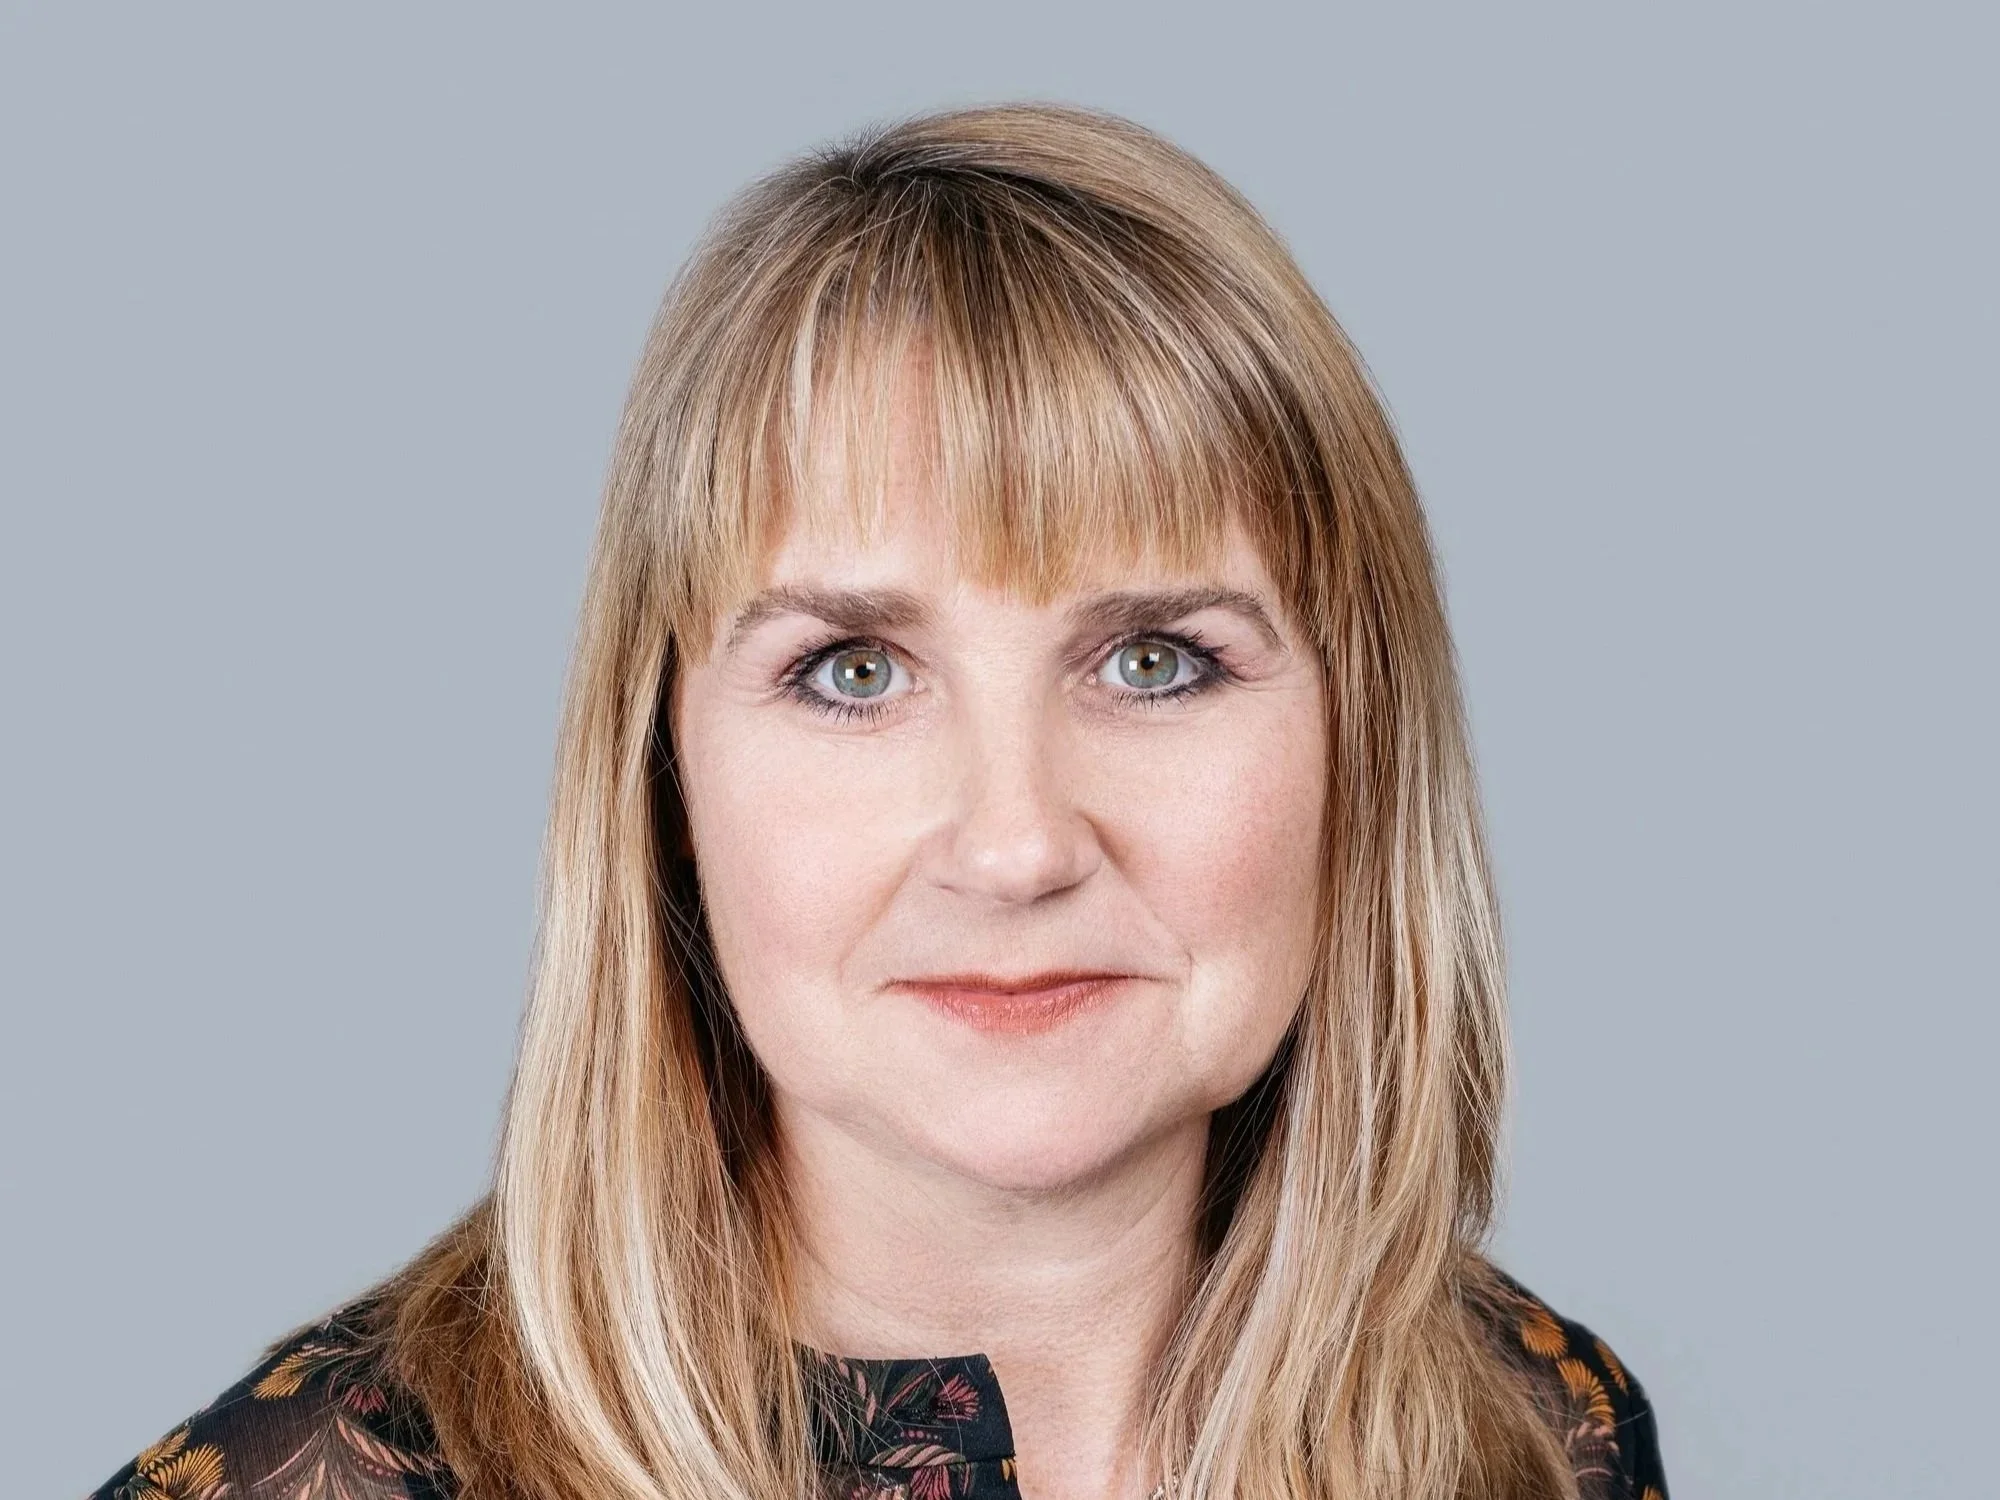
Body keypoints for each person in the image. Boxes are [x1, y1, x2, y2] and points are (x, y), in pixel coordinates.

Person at [86, 102, 1667, 1500]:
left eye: (1155, 662)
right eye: (853, 670)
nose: (1018, 843)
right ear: (666, 780)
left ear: (1360, 746)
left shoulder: (1539, 1434)